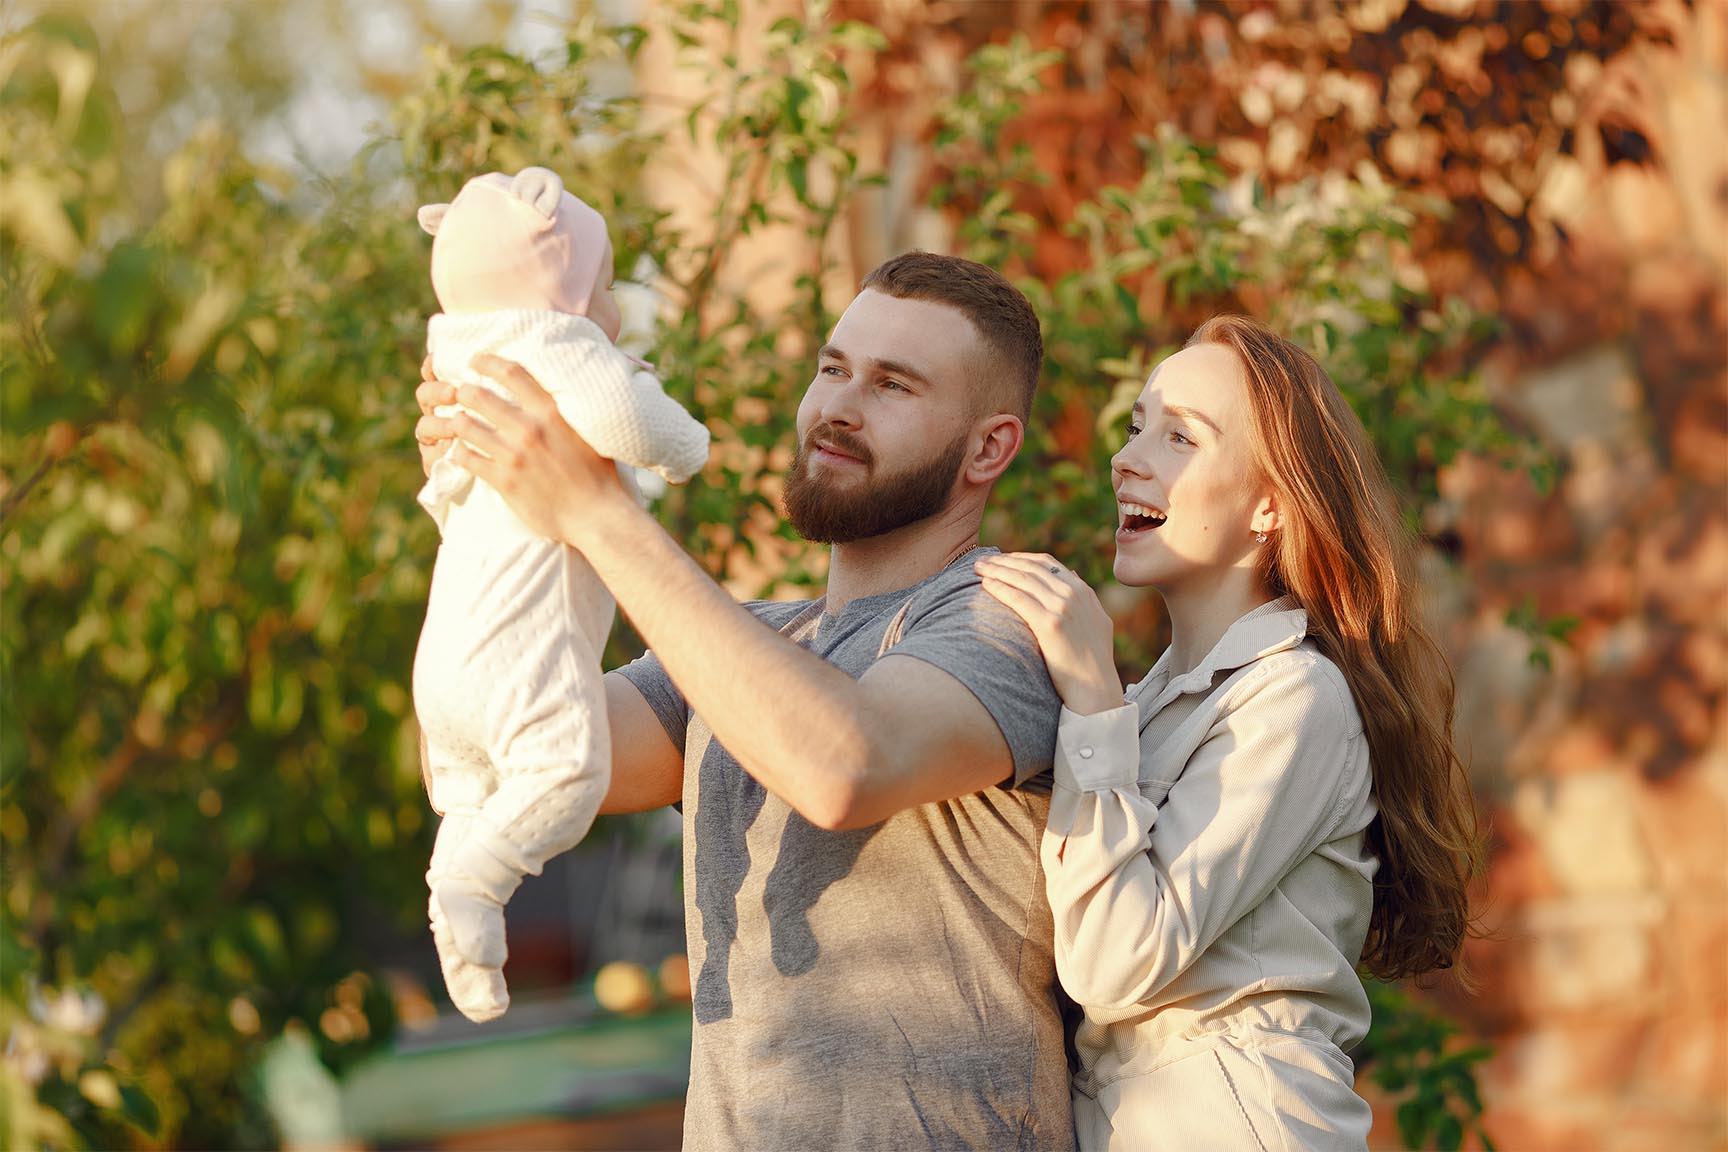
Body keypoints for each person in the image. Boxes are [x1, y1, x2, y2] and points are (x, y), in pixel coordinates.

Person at [414, 251, 1077, 1151]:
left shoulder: (1015, 621)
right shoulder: (752, 646)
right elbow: (495, 754)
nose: (838, 406)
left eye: (893, 385)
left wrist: (601, 511)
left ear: (990, 447)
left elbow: (842, 766)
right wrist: (491, 511)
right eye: (833, 369)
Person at [975, 315, 1480, 1150]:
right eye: (1138, 427)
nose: (1127, 457)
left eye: (1180, 437)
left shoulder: (1297, 700)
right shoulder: (1157, 703)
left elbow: (1111, 963)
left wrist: (1094, 698)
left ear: (1270, 508)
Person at [411, 167, 709, 1024]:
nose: (614, 310)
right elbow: (630, 421)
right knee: (564, 772)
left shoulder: (463, 357)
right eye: (607, 287)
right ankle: (474, 883)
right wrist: (685, 442)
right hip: (519, 661)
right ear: (560, 293)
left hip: (446, 666)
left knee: (472, 794)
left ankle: (459, 907)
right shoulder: (556, 348)